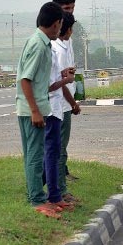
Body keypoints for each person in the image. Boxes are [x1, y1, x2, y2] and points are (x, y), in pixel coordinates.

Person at [16, 2, 63, 218]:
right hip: (30, 110)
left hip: (36, 106)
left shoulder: (43, 44)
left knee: (34, 155)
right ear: (55, 24)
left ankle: (37, 196)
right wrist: (35, 111)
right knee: (35, 157)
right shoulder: (37, 44)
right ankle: (37, 200)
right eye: (61, 24)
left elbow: (40, 83)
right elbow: (25, 79)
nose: (60, 29)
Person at [43, 16, 76, 212]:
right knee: (56, 152)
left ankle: (54, 192)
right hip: (56, 107)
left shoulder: (60, 47)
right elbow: (52, 84)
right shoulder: (54, 49)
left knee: (56, 150)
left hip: (59, 106)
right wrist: (72, 100)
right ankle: (55, 192)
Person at [52, 0, 80, 192]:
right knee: (58, 148)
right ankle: (58, 189)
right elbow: (58, 80)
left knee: (60, 146)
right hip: (60, 102)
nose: (69, 12)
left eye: (72, 8)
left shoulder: (66, 40)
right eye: (66, 9)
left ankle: (61, 177)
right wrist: (72, 102)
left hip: (65, 97)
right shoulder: (55, 44)